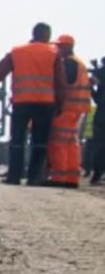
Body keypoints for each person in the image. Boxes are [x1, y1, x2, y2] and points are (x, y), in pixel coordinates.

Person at [0, 23, 66, 185]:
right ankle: (34, 178)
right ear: (46, 35)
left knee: (17, 141)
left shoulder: (17, 51)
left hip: (22, 102)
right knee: (40, 143)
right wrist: (60, 103)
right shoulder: (54, 53)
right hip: (45, 104)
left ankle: (14, 177)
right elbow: (60, 82)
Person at [46, 35, 90, 187]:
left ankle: (59, 177)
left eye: (59, 46)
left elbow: (64, 85)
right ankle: (72, 178)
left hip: (66, 108)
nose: (56, 49)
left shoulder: (69, 63)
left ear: (67, 47)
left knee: (58, 142)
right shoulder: (79, 63)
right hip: (76, 109)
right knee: (71, 143)